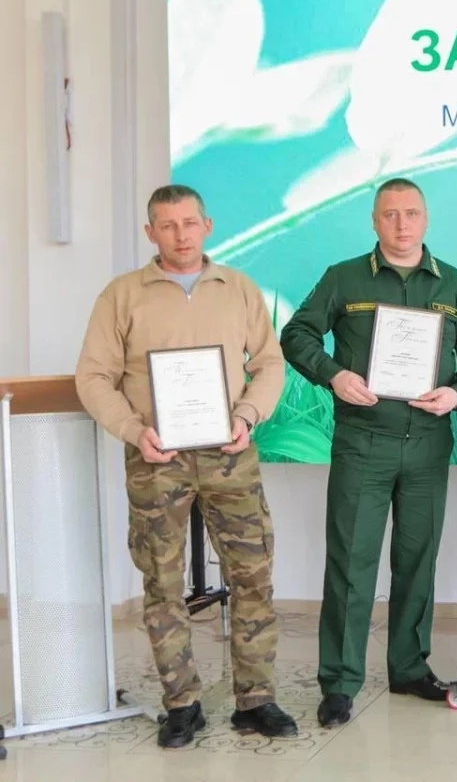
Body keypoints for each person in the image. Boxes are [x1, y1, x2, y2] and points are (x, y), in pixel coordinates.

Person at [75, 184, 297, 748]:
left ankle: (256, 700)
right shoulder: (122, 295)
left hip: (230, 456)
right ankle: (182, 704)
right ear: (150, 232)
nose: (181, 235)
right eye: (168, 225)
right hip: (157, 460)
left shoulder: (238, 289)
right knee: (162, 582)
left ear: (207, 226)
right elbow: (93, 377)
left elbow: (269, 363)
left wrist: (247, 414)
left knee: (252, 575)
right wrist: (134, 431)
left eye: (190, 223)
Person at [279, 178, 457, 727]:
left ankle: (409, 667)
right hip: (363, 443)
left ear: (426, 219)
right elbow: (297, 335)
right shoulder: (344, 277)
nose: (401, 224)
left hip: (428, 445)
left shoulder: (453, 283)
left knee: (417, 560)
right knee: (351, 563)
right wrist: (333, 375)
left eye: (411, 213)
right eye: (390, 214)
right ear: (374, 221)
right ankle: (340, 682)